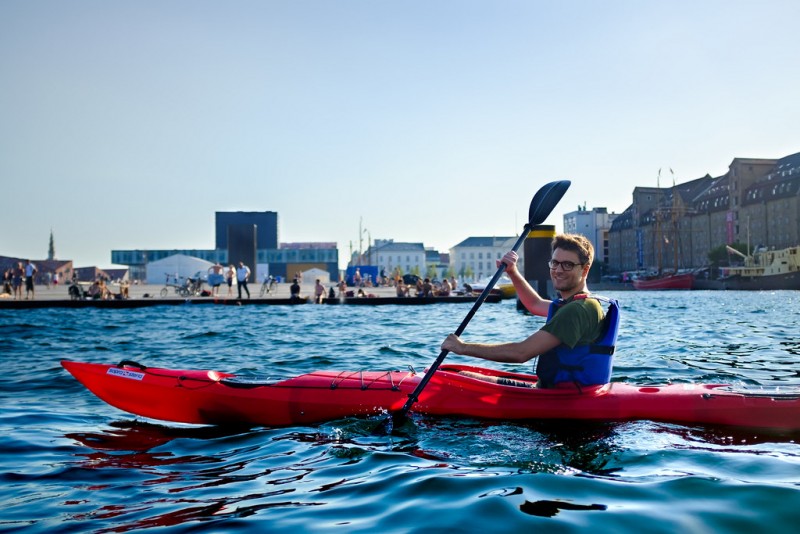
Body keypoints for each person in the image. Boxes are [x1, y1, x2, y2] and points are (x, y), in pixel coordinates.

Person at [441, 233, 619, 389]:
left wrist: (462, 347)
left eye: (567, 265)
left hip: (563, 398)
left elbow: (521, 353)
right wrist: (512, 272)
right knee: (458, 373)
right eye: (555, 263)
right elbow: (534, 304)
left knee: (455, 380)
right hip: (559, 391)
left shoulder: (577, 310)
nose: (558, 270)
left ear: (585, 269)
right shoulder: (580, 303)